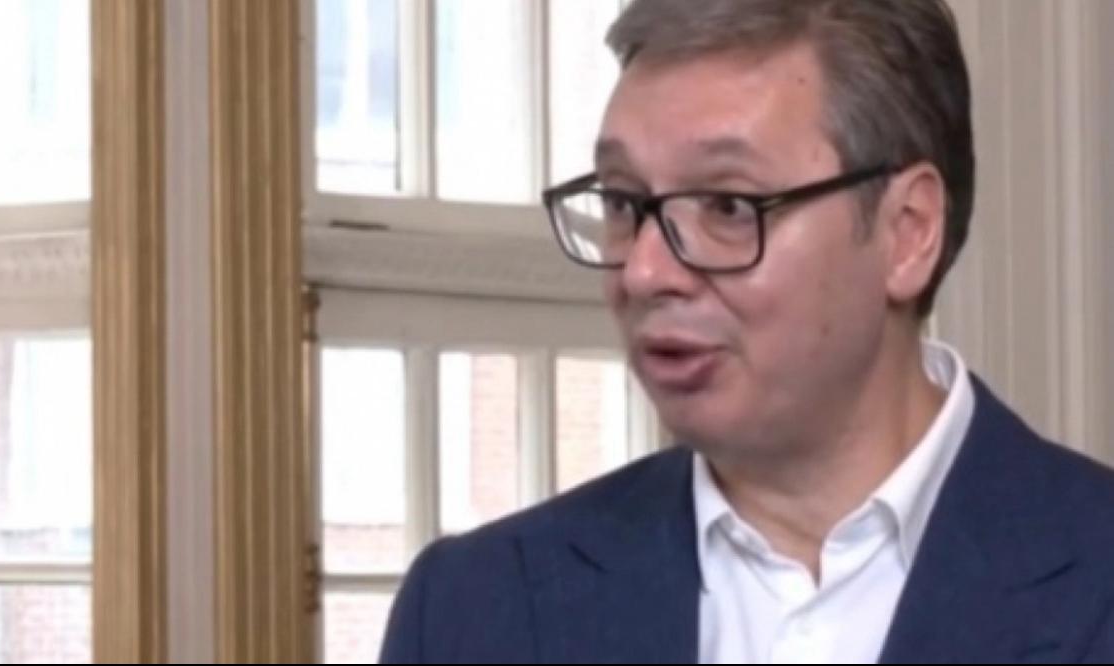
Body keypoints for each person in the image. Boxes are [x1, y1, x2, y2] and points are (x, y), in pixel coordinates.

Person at [380, 0, 1114, 662]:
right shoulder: (473, 609)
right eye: (624, 203)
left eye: (728, 207)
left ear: (908, 231)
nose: (644, 271)